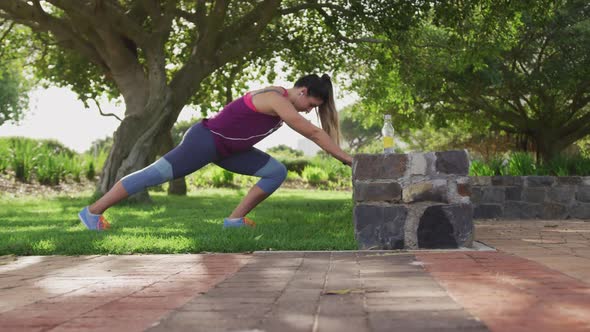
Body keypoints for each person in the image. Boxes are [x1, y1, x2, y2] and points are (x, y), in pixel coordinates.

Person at [78, 73, 353, 230]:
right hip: (205, 141)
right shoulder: (275, 98)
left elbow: (314, 129)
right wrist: (348, 159)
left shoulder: (284, 102)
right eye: (311, 105)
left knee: (275, 172)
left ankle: (233, 222)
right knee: (154, 175)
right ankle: (92, 212)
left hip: (230, 149)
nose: (309, 111)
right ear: (302, 91)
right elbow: (313, 132)